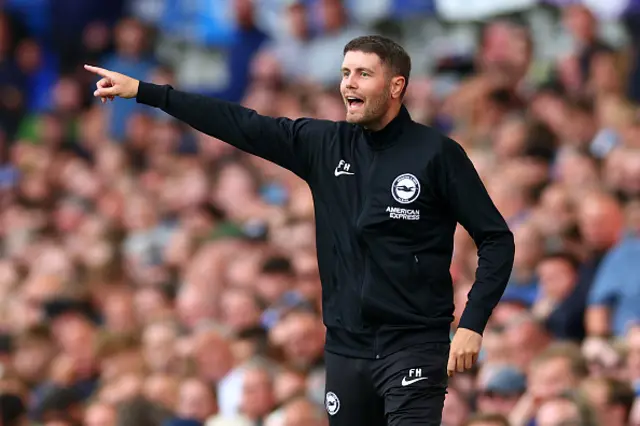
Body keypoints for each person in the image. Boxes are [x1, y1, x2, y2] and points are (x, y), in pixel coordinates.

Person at [85, 35, 515, 426]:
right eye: (345, 73)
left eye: (364, 74)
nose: (349, 84)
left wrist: (472, 324)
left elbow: (496, 238)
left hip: (415, 345)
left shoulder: (436, 154)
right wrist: (148, 93)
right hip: (346, 348)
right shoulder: (322, 144)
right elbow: (240, 123)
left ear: (396, 86)